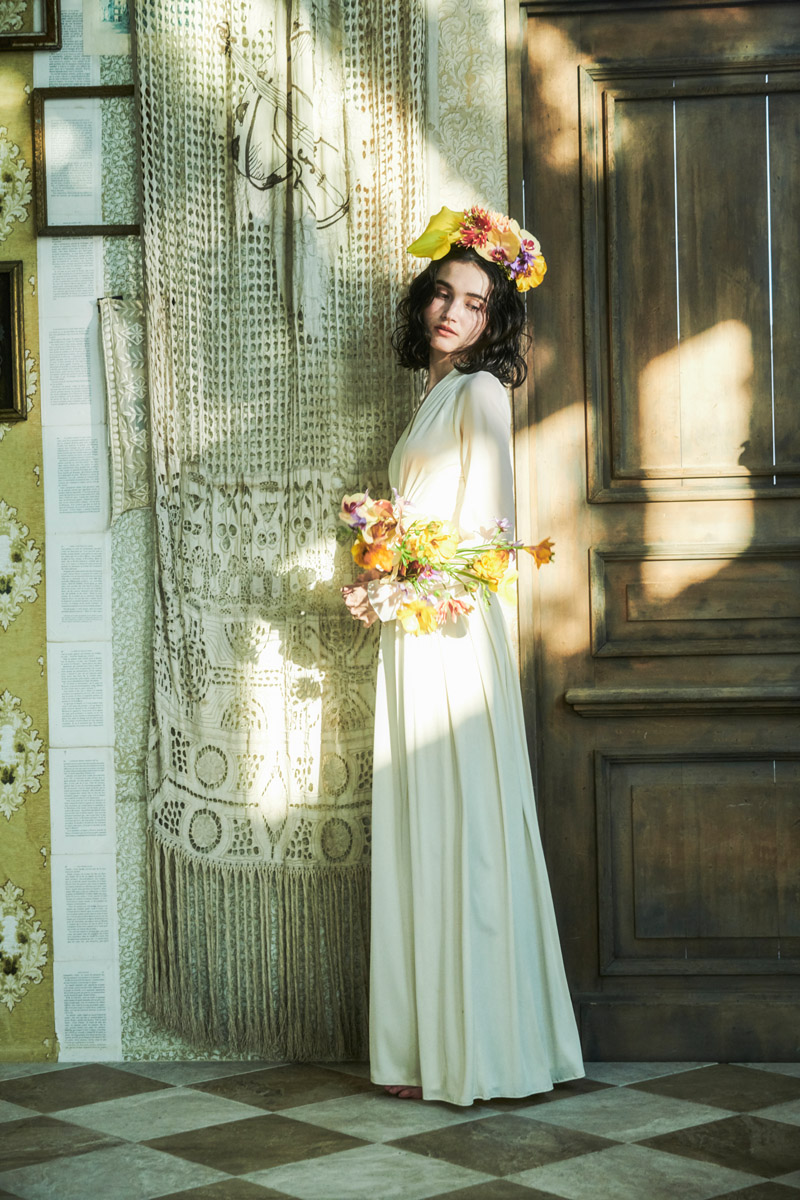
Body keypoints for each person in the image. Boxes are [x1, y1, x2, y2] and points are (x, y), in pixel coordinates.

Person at [342, 206, 585, 1106]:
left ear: (495, 320)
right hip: (418, 626)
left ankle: (479, 1052)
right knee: (429, 827)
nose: (452, 312)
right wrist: (385, 567)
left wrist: (402, 583)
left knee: (463, 824)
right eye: (443, 293)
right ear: (425, 300)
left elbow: (488, 540)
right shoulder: (437, 392)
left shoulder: (480, 393)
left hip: (447, 631)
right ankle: (429, 1049)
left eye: (475, 303)